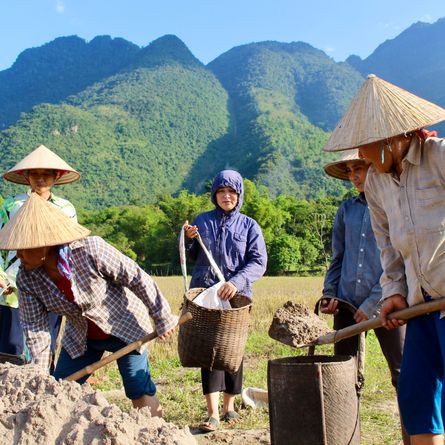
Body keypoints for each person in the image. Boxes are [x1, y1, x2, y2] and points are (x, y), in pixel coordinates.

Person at [323, 73, 445, 445]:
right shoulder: (375, 182)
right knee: (415, 394)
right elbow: (388, 245)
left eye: (367, 145)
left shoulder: (438, 157)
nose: (361, 155)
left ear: (394, 135)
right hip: (420, 305)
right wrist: (393, 291)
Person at [0, 192, 178, 417]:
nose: (18, 254)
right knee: (59, 388)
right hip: (81, 336)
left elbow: (136, 277)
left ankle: (155, 435)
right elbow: (37, 331)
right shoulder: (27, 278)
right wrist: (41, 376)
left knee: (138, 387)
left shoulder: (90, 250)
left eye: (23, 247)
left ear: (44, 244)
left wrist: (161, 317)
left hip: (126, 327)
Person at [322, 150, 407, 443]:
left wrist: (373, 303)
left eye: (360, 168)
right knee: (343, 376)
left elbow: (397, 258)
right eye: (349, 171)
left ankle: (413, 437)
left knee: (403, 375)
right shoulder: (346, 209)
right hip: (346, 304)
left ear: (375, 165)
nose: (355, 176)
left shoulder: (392, 202)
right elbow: (338, 257)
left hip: (388, 304)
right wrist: (329, 294)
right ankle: (348, 437)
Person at [184, 169, 267, 432]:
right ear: (214, 195)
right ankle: (212, 413)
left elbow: (258, 262)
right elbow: (190, 255)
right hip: (206, 295)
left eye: (232, 192)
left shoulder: (249, 225)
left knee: (234, 351)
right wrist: (187, 240)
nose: (226, 196)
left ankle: (229, 407)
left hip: (236, 297)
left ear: (239, 195)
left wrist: (236, 282)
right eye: (221, 191)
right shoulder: (202, 221)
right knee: (210, 351)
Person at [0, 144, 79, 364]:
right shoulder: (11, 206)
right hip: (12, 284)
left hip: (53, 285)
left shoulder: (65, 209)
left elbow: (71, 249)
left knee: (47, 343)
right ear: (27, 176)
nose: (40, 179)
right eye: (35, 174)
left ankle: (44, 390)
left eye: (46, 174)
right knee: (11, 347)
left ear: (56, 176)